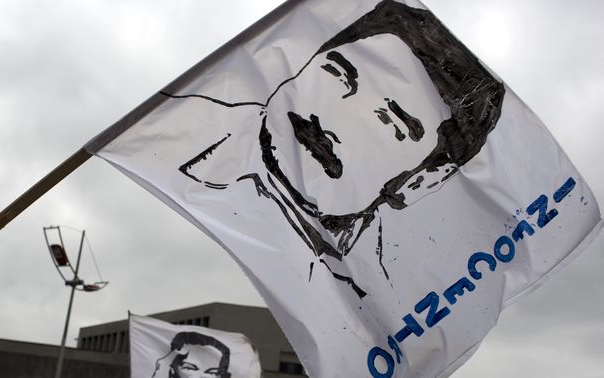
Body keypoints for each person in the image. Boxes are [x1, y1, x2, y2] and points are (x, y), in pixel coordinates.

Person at [163, 0, 505, 297]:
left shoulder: (374, 297)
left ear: (421, 181)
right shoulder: (172, 145)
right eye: (338, 72)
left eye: (394, 122)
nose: (334, 119)